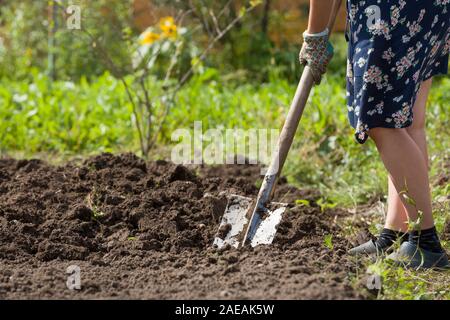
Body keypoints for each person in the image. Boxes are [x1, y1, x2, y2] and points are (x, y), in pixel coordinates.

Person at [300, 0, 450, 268]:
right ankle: (397, 232)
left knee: (382, 121)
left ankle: (426, 242)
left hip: (388, 13)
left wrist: (315, 35)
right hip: (429, 9)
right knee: (407, 121)